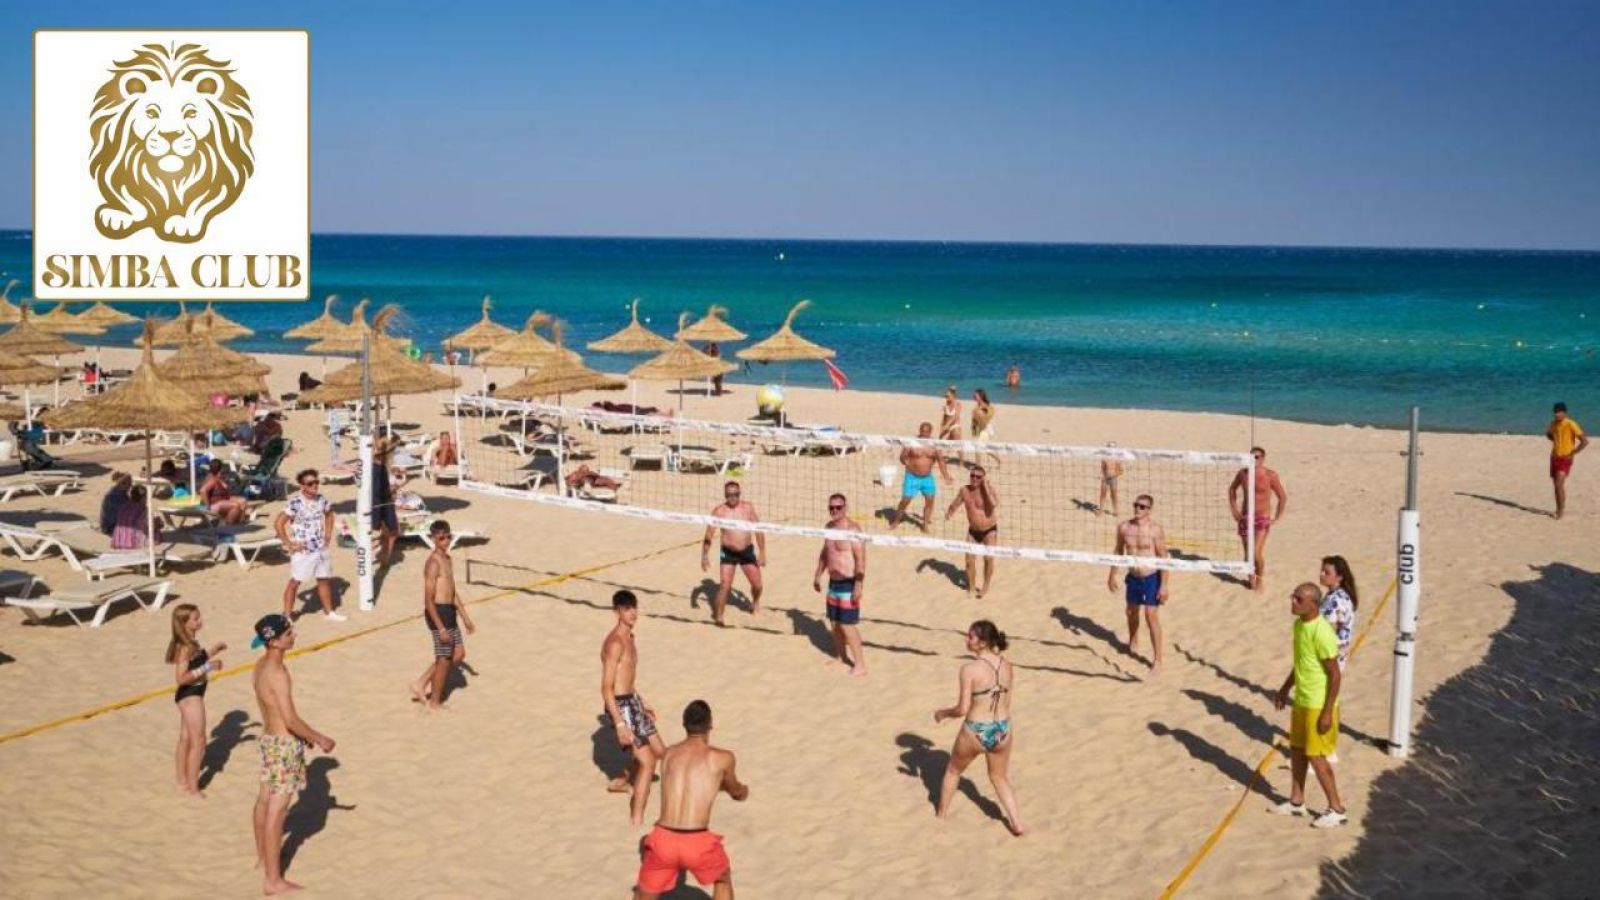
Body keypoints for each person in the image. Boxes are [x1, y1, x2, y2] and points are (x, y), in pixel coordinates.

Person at [250, 614, 336, 894]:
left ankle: (263, 858)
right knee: (277, 810)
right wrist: (318, 738)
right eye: (288, 633)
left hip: (269, 740)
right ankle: (273, 880)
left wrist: (303, 735)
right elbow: (290, 720)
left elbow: (273, 711)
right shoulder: (278, 673)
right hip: (284, 744)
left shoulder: (260, 665)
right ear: (275, 641)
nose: (294, 635)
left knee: (264, 801)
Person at [634, 700, 748, 900]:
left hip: (663, 839)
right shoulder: (723, 758)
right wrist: (742, 791)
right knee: (723, 879)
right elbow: (735, 791)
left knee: (643, 894)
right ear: (710, 725)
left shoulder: (669, 754)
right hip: (697, 841)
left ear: (684, 725)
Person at [932, 620, 1024, 835]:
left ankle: (941, 815)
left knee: (953, 771)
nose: (966, 639)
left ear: (982, 642)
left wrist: (943, 713)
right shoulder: (1007, 665)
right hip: (1003, 728)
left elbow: (962, 709)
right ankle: (1016, 823)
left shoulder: (969, 669)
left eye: (970, 636)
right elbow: (1007, 701)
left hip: (977, 729)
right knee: (999, 777)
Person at [1269, 583, 1347, 828]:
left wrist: (1327, 712)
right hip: (1302, 700)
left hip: (1318, 704)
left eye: (1298, 599)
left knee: (1316, 756)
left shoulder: (1322, 632)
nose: (1293, 601)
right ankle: (1296, 802)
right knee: (1297, 750)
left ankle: (1337, 809)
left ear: (1313, 604)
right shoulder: (1299, 625)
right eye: (1293, 597)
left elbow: (1335, 675)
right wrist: (1285, 689)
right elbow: (1301, 662)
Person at [601, 589, 669, 824]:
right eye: (627, 609)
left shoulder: (630, 638)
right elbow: (607, 688)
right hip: (621, 706)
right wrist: (620, 724)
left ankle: (623, 780)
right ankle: (636, 818)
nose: (632, 613)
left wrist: (641, 702)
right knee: (648, 762)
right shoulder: (614, 644)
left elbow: (627, 680)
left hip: (632, 702)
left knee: (660, 752)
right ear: (616, 612)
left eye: (634, 608)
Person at [410, 520, 475, 710]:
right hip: (438, 612)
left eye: (448, 536)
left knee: (458, 654)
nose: (446, 541)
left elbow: (452, 592)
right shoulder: (432, 563)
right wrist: (440, 628)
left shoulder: (448, 559)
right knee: (444, 659)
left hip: (449, 611)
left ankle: (421, 683)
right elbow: (428, 600)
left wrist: (465, 617)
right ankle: (434, 702)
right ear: (433, 539)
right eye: (441, 538)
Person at [1106, 493, 1169, 675]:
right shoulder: (1124, 527)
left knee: (1151, 616)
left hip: (1151, 577)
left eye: (1142, 506)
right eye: (1136, 505)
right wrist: (1112, 574)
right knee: (1131, 612)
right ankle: (1133, 639)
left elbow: (1163, 557)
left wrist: (1164, 585)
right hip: (1133, 577)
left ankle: (1157, 660)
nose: (1137, 508)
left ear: (1149, 510)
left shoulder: (1155, 530)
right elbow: (1118, 552)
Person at [167, 603, 226, 797]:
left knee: (185, 738)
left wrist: (213, 651)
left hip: (192, 693)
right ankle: (193, 787)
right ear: (184, 623)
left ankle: (182, 780)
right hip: (190, 695)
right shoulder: (185, 647)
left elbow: (197, 660)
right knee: (199, 741)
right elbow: (181, 678)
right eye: (195, 618)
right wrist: (208, 667)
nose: (200, 621)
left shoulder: (191, 642)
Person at [275, 469, 345, 622]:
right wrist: (289, 544)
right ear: (302, 486)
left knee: (323, 579)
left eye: (316, 482)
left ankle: (329, 612)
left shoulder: (322, 500)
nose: (315, 485)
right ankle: (287, 615)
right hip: (303, 550)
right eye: (310, 483)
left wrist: (328, 535)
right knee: (295, 582)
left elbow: (329, 515)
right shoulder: (295, 503)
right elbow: (279, 523)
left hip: (320, 547)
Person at [813, 493, 867, 676]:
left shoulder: (853, 529)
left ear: (845, 508)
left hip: (848, 582)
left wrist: (858, 585)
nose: (834, 510)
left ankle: (860, 665)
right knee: (834, 623)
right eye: (832, 507)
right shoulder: (828, 528)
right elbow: (825, 553)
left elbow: (861, 560)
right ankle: (841, 656)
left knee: (847, 625)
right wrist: (818, 574)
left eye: (838, 507)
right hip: (833, 582)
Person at [702, 482, 765, 626]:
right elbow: (708, 534)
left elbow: (759, 530)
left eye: (736, 494)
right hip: (728, 553)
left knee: (758, 585)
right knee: (725, 585)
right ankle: (719, 617)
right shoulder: (719, 511)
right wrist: (704, 555)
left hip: (746, 552)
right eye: (729, 495)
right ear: (725, 495)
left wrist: (762, 552)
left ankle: (755, 601)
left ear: (739, 494)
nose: (733, 497)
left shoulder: (747, 508)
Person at [1228, 446, 1288, 592]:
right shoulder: (1243, 474)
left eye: (1257, 457)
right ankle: (1251, 579)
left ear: (1263, 459)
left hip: (1262, 518)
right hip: (1245, 518)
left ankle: (1259, 579)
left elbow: (1282, 496)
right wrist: (1235, 510)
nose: (1254, 459)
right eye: (1251, 457)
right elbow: (1232, 489)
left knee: (1255, 553)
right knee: (1248, 554)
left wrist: (1277, 517)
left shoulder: (1270, 475)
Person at [945, 465, 999, 598]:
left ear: (983, 479)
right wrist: (950, 511)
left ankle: (985, 586)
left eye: (978, 477)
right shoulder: (964, 490)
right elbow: (956, 503)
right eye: (972, 475)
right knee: (969, 561)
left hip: (989, 531)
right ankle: (972, 587)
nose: (974, 478)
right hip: (973, 531)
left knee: (988, 559)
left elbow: (994, 504)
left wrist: (986, 488)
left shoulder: (988, 490)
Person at [887, 422, 951, 532]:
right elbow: (902, 457)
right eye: (922, 431)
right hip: (912, 476)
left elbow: (940, 460)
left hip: (927, 478)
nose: (924, 433)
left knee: (930, 500)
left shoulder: (934, 444)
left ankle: (925, 524)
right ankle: (896, 521)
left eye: (927, 431)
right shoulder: (911, 442)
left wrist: (946, 475)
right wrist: (905, 460)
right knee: (905, 500)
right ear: (920, 430)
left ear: (930, 432)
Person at [1546, 401, 1587, 520]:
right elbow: (1548, 434)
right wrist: (1555, 439)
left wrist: (1572, 453)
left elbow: (1584, 441)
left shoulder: (1571, 424)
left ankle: (1560, 511)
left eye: (1559, 412)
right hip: (1554, 457)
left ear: (1564, 412)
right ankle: (1559, 508)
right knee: (1557, 486)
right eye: (1555, 412)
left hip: (1565, 458)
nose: (1557, 414)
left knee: (1558, 484)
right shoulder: (1553, 424)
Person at [371, 437, 400, 569]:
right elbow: (378, 492)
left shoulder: (379, 467)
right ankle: (384, 559)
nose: (392, 454)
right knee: (390, 532)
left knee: (389, 532)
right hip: (381, 504)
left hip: (382, 503)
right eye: (391, 451)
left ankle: (384, 559)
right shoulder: (377, 469)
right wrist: (396, 487)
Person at [200, 459, 248, 525]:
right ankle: (227, 525)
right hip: (213, 504)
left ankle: (240, 523)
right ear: (221, 468)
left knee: (243, 501)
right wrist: (207, 507)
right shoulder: (212, 479)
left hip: (221, 500)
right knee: (235, 505)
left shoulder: (217, 477)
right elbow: (203, 491)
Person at [112, 484, 160, 549]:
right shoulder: (142, 508)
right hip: (132, 541)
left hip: (119, 540)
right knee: (156, 535)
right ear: (143, 498)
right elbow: (145, 527)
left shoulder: (124, 506)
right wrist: (157, 524)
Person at [99, 471, 132, 535]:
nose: (130, 486)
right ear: (122, 484)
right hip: (110, 527)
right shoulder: (112, 496)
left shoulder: (122, 492)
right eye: (129, 484)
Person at [937, 386, 964, 464]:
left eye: (948, 396)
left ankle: (961, 462)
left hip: (955, 426)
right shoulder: (946, 404)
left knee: (957, 444)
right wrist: (942, 426)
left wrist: (947, 425)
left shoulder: (958, 404)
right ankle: (940, 457)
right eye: (946, 396)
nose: (946, 398)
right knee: (940, 440)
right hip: (947, 426)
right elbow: (944, 417)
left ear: (953, 396)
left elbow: (956, 417)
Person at [1098, 442, 1123, 517]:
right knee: (1103, 494)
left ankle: (1115, 511)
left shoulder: (1117, 459)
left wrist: (1114, 474)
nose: (1110, 448)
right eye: (1109, 447)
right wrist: (1102, 475)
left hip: (1113, 478)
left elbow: (1120, 470)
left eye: (1112, 447)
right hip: (1105, 478)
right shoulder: (1104, 458)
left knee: (1114, 495)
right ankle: (1101, 510)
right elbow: (1103, 468)